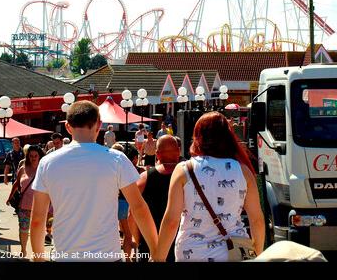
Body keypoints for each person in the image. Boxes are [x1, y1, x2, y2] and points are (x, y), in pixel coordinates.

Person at [30, 100, 158, 262]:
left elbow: (37, 220)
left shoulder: (47, 162)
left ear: (68, 127)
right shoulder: (116, 159)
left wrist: (38, 258)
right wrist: (156, 251)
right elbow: (139, 208)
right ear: (99, 125)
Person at [153, 111, 265, 262]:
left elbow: (172, 221)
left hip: (192, 253)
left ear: (198, 137)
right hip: (234, 253)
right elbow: (257, 220)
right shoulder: (243, 171)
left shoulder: (184, 170)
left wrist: (159, 258)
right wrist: (257, 254)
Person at [130, 134, 181, 262]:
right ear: (178, 152)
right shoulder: (189, 177)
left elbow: (132, 213)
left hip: (150, 245)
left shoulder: (144, 178)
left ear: (157, 154)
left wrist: (136, 240)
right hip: (182, 244)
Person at [7, 144, 46, 258]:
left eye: (35, 155)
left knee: (38, 231)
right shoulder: (23, 168)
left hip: (39, 207)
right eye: (31, 155)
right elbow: (16, 183)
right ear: (27, 156)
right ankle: (23, 249)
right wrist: (10, 197)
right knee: (23, 229)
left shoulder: (44, 169)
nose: (33, 158)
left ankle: (37, 253)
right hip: (24, 206)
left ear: (40, 156)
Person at [111, 143, 136, 261]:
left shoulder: (107, 167)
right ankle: (127, 259)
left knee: (115, 232)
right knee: (128, 234)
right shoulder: (122, 166)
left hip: (111, 203)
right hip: (123, 203)